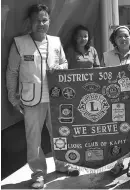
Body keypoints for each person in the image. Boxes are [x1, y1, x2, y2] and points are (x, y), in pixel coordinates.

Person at [6, 4, 79, 189]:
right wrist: (13, 98)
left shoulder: (55, 41)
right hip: (31, 99)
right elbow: (12, 72)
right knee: (33, 138)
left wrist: (59, 69)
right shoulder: (19, 43)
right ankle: (38, 174)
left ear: (49, 21)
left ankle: (63, 165)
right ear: (30, 22)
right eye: (37, 20)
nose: (41, 23)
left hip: (56, 98)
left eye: (44, 19)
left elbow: (64, 63)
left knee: (60, 133)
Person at [102, 25, 130, 177]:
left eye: (126, 36)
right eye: (120, 36)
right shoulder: (107, 56)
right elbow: (101, 78)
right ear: (114, 39)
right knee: (117, 134)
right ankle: (119, 162)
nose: (123, 39)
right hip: (114, 103)